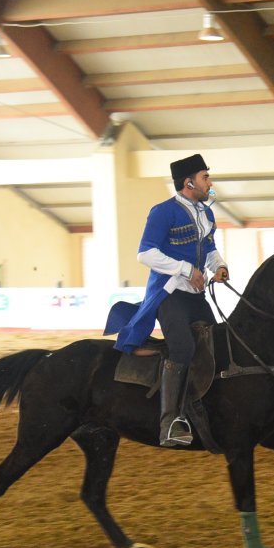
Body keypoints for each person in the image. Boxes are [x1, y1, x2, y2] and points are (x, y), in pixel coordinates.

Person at [113, 154, 228, 448]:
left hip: (195, 294)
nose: (209, 182)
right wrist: (186, 269)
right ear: (189, 182)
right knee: (184, 348)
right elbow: (145, 253)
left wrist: (220, 267)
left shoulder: (207, 214)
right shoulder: (162, 212)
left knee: (213, 346)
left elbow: (210, 249)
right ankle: (169, 422)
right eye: (205, 177)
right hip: (169, 293)